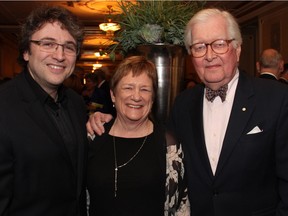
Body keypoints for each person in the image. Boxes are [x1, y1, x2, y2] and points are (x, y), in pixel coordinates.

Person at [87, 8, 288, 216]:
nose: (209, 55)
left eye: (219, 44)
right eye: (200, 47)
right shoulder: (183, 104)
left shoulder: (277, 99)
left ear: (237, 50)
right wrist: (104, 117)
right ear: (192, 56)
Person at [0, 6, 88, 216]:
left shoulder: (76, 103)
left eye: (68, 47)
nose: (59, 55)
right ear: (26, 51)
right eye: (48, 44)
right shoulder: (4, 105)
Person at [86, 56, 189, 216]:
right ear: (113, 95)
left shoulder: (168, 144)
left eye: (145, 89)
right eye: (128, 88)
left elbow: (180, 207)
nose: (136, 96)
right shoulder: (94, 136)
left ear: (153, 97)